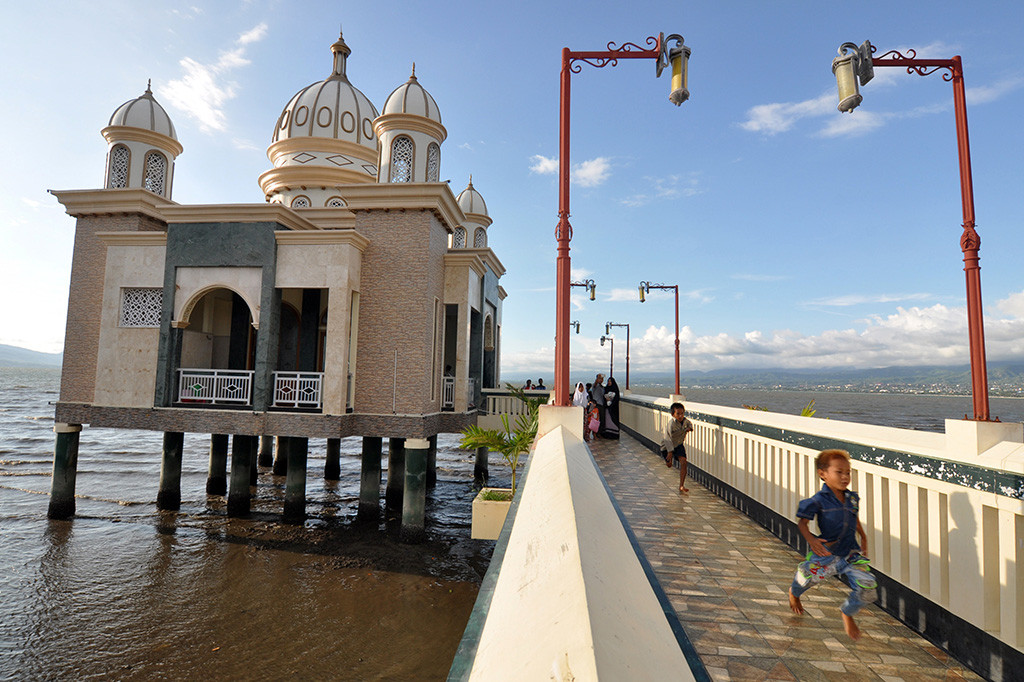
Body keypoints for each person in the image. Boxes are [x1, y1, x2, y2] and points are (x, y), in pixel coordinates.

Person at [788, 449, 875, 641]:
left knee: (868, 587)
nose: (845, 477)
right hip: (827, 553)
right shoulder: (817, 501)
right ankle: (794, 592)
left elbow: (853, 517)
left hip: (851, 552)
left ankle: (847, 612)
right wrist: (811, 539)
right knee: (807, 579)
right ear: (823, 474)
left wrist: (863, 535)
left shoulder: (852, 498)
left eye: (848, 472)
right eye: (839, 472)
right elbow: (802, 523)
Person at [660, 402, 693, 492]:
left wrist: (689, 428)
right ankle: (668, 460)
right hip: (667, 446)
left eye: (682, 413)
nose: (680, 416)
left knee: (684, 462)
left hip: (678, 445)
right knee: (669, 465)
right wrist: (670, 452)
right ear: (673, 414)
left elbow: (690, 424)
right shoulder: (671, 424)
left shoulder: (685, 421)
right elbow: (667, 438)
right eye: (678, 414)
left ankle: (681, 485)